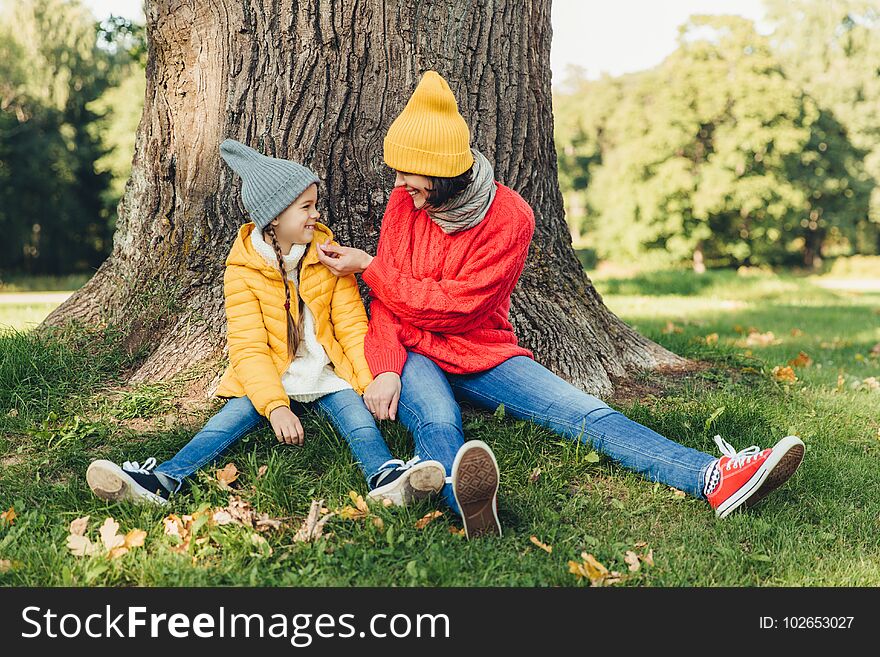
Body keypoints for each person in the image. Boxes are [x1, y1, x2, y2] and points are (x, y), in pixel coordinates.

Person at [315, 71, 805, 539]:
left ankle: (712, 477)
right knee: (440, 419)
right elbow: (388, 302)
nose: (400, 184)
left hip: (481, 350)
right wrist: (383, 367)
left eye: (410, 173)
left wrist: (371, 268)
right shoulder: (405, 203)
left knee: (586, 414)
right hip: (412, 348)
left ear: (443, 171)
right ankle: (460, 499)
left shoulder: (510, 217)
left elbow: (458, 307)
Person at [86, 139, 444, 506]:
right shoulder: (243, 270)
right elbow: (249, 348)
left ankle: (387, 477)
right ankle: (164, 478)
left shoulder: (327, 254)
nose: (316, 214)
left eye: (315, 204)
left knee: (360, 421)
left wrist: (367, 381)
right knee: (225, 423)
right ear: (274, 216)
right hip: (274, 372)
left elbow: (352, 325)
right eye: (306, 207)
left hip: (328, 371)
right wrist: (275, 406)